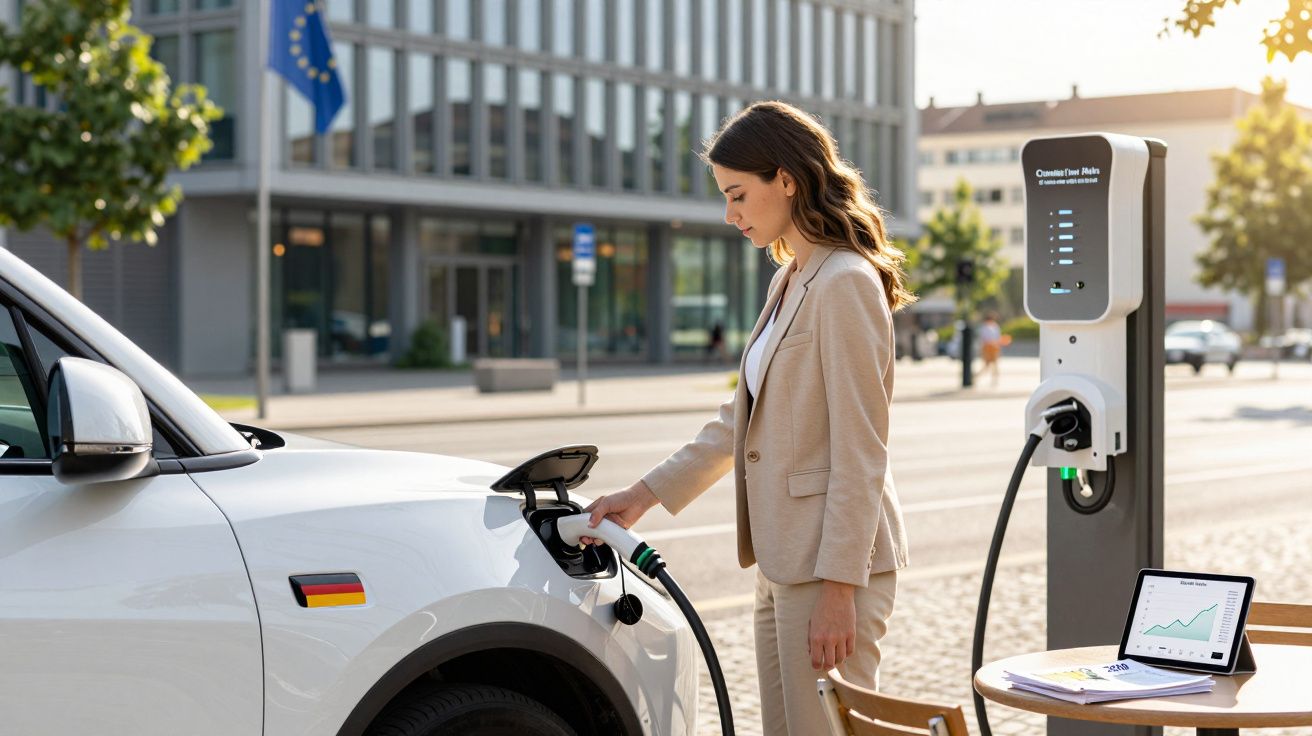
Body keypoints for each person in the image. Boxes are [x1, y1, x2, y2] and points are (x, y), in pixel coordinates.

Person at [579, 101, 915, 735]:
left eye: (737, 195)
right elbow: (740, 419)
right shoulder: (791, 279)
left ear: (785, 180)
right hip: (783, 560)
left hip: (830, 569)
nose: (730, 214)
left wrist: (839, 590)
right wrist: (641, 496)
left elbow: (861, 450)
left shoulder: (845, 281)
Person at [977, 312, 1005, 387]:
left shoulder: (995, 326)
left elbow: (998, 338)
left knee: (995, 366)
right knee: (986, 366)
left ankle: (994, 381)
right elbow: (983, 339)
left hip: (994, 348)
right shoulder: (984, 327)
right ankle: (975, 377)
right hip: (987, 348)